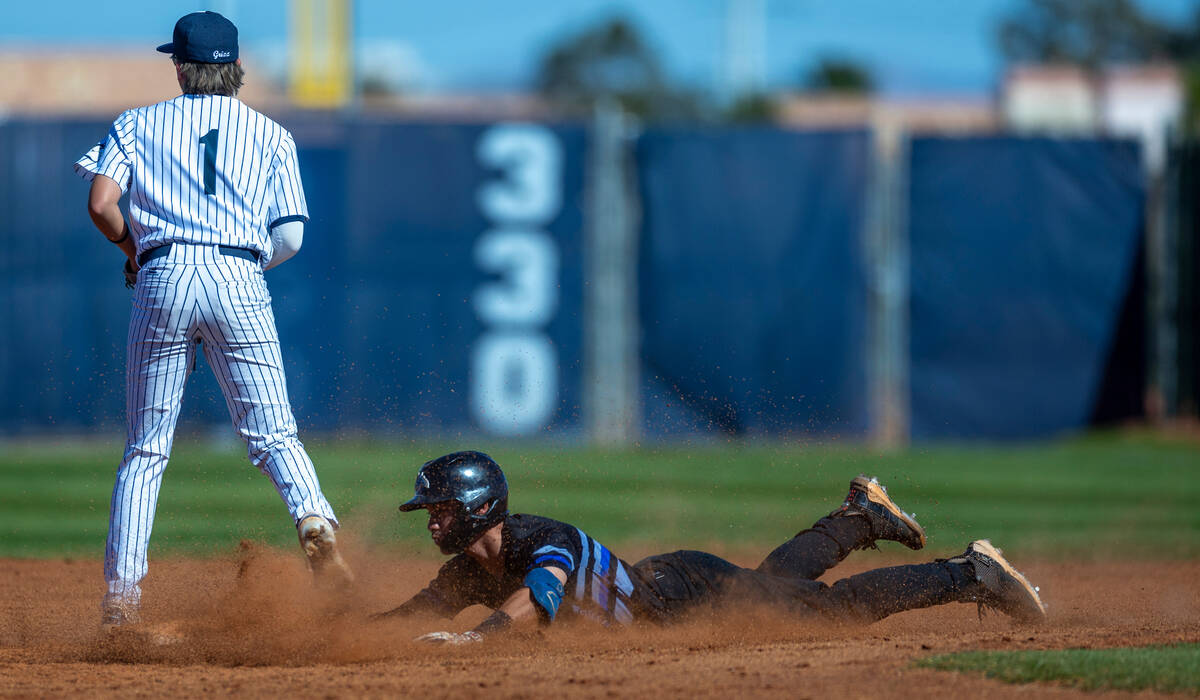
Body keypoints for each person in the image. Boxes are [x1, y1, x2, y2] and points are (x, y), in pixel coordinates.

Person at [73, 10, 352, 629]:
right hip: (239, 274)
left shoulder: (138, 122)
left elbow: (101, 203)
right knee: (274, 434)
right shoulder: (273, 134)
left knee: (146, 450)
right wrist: (242, 271)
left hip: (163, 270)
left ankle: (122, 603)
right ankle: (311, 517)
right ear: (236, 68)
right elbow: (293, 239)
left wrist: (134, 251)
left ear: (179, 66)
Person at [372, 451, 1046, 642]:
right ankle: (859, 517)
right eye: (427, 512)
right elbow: (413, 616)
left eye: (439, 510)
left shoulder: (540, 541)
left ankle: (968, 573)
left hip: (690, 593)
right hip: (677, 589)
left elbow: (541, 594)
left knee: (829, 613)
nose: (430, 522)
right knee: (776, 589)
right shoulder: (468, 571)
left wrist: (483, 636)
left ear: (480, 507)